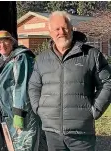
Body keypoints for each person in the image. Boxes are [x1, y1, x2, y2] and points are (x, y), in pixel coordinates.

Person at [28, 11, 111, 151]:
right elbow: (34, 86)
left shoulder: (91, 55)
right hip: (52, 132)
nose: (61, 32)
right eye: (57, 29)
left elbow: (107, 83)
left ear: (72, 28)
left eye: (65, 27)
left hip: (81, 132)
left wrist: (94, 110)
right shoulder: (42, 59)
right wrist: (39, 108)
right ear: (50, 32)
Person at [0, 30, 40, 151]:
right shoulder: (2, 60)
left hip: (22, 114)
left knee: (24, 147)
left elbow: (21, 86)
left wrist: (19, 114)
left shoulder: (21, 58)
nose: (2, 45)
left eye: (5, 41)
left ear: (12, 42)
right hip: (8, 115)